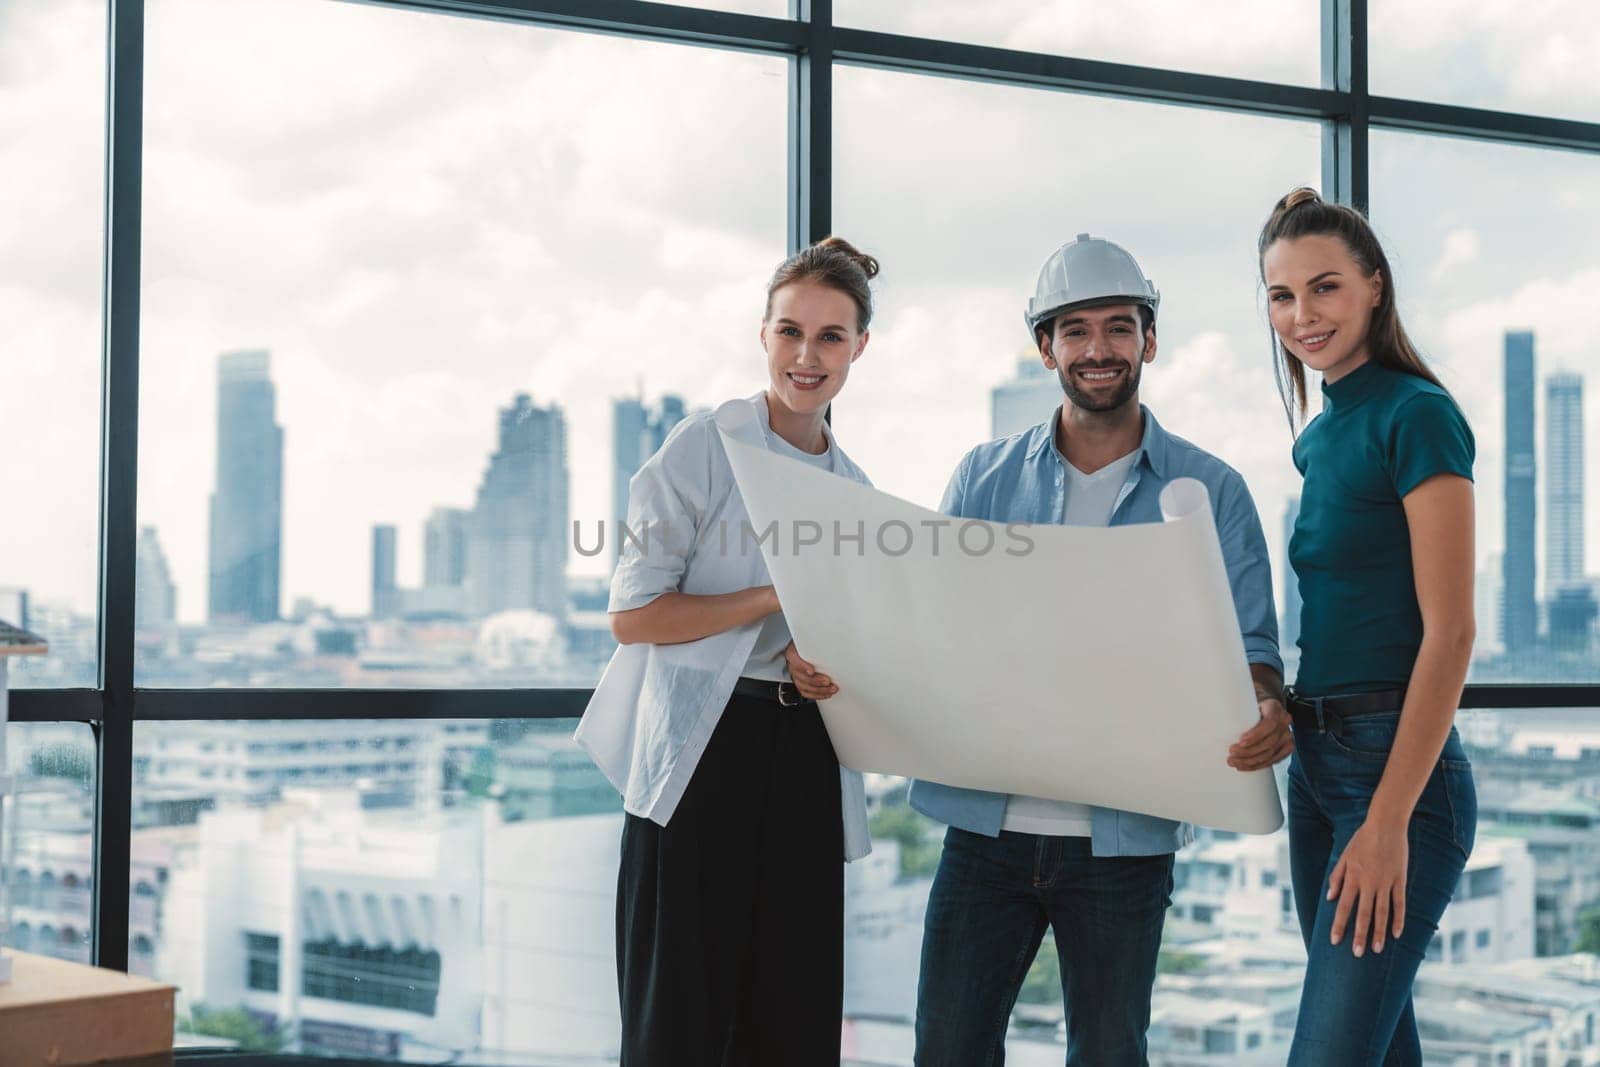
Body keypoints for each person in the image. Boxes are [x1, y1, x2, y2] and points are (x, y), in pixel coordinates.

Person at [871, 233, 1289, 1066]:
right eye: (1075, 330)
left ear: (1149, 339)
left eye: (1118, 327)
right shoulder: (983, 479)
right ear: (1045, 347)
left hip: (1123, 841)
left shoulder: (1213, 492)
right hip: (984, 830)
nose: (1099, 348)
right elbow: (936, 629)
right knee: (948, 1048)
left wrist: (1267, 702)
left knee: (1108, 1051)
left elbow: (1252, 648)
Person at [574, 237, 880, 1066]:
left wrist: (816, 666)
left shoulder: (852, 487)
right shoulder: (704, 447)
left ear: (859, 347)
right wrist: (773, 595)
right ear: (763, 336)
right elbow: (634, 615)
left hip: (804, 754)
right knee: (680, 1014)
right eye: (790, 332)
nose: (806, 355)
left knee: (792, 1010)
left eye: (829, 336)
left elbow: (837, 641)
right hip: (705, 755)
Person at [1260, 187, 1477, 1066]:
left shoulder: (1416, 414)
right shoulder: (1318, 437)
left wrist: (1388, 818)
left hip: (1396, 782)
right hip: (1317, 768)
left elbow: (1452, 631)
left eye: (1325, 288)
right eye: (1281, 296)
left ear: (1375, 288)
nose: (1302, 315)